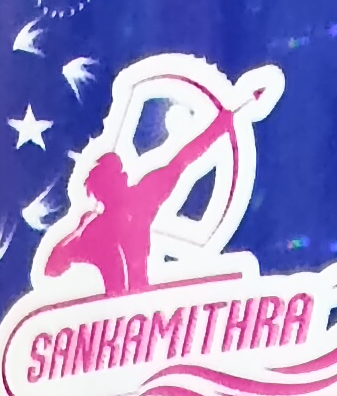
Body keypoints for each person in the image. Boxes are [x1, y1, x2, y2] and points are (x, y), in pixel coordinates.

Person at [45, 98, 235, 295]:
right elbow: (52, 267)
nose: (125, 175)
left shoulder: (141, 198)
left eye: (121, 172)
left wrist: (218, 127)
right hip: (120, 305)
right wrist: (78, 230)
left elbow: (182, 160)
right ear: (105, 188)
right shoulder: (99, 224)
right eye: (118, 175)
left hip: (138, 303)